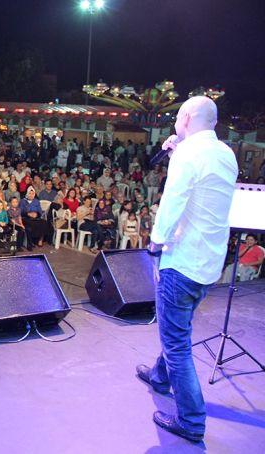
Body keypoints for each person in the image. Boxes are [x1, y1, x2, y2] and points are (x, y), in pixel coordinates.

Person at [136, 96, 238, 443]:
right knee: (179, 328)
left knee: (177, 342)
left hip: (182, 261)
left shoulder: (189, 155)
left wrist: (154, 245)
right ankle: (160, 377)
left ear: (187, 117)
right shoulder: (225, 154)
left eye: (177, 117)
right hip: (209, 263)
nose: (174, 122)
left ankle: (192, 421)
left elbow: (173, 201)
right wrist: (177, 151)